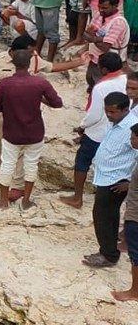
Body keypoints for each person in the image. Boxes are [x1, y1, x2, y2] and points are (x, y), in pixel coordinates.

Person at [0, 44, 64, 209]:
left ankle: (2, 201)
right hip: (34, 133)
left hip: (11, 132)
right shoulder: (40, 83)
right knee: (31, 165)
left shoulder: (5, 84)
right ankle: (26, 201)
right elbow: (57, 103)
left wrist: (7, 106)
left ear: (13, 63)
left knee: (7, 164)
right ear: (29, 63)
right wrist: (40, 99)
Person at [61, 51, 130, 209]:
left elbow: (94, 115)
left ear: (104, 69)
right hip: (119, 131)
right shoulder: (127, 80)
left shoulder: (101, 86)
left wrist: (82, 126)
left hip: (97, 133)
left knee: (82, 162)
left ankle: (77, 198)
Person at [82, 92, 138, 268]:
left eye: (112, 112)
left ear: (124, 109)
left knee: (103, 216)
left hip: (116, 180)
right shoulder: (115, 122)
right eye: (106, 111)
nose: (108, 115)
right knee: (109, 216)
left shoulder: (131, 128)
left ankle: (108, 255)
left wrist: (129, 182)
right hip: (106, 176)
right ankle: (109, 250)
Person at [112, 122, 138, 301]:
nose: (131, 140)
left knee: (135, 254)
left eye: (133, 137)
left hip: (136, 215)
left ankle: (135, 292)